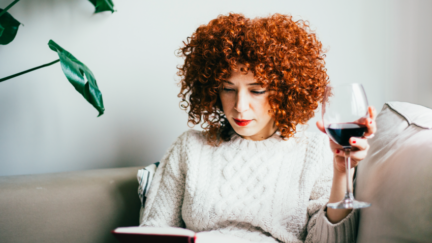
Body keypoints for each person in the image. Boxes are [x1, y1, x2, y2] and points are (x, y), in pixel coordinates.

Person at [139, 13, 377, 243]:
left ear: (285, 91)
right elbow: (154, 231)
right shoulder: (189, 147)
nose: (240, 106)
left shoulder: (314, 152)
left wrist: (343, 172)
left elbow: (329, 241)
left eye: (257, 90)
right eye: (228, 89)